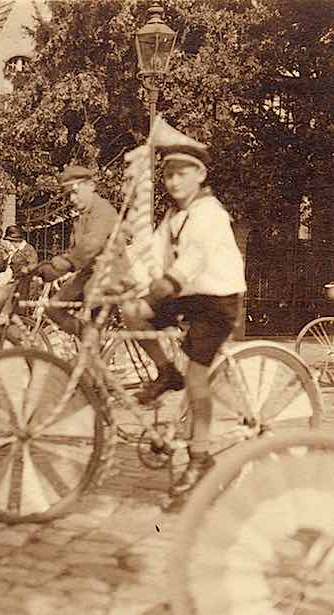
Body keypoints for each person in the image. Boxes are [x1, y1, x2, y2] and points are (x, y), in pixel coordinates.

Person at [122, 141, 246, 496]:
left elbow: (195, 258)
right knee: (131, 312)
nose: (173, 181)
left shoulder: (210, 213)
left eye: (181, 174)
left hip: (217, 301)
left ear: (200, 175)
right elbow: (151, 256)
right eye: (168, 175)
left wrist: (166, 283)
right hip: (186, 296)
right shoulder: (173, 217)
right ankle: (166, 371)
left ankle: (200, 456)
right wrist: (129, 282)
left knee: (197, 378)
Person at [36, 165, 117, 336]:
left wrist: (65, 264)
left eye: (75, 191)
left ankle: (92, 349)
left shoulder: (104, 210)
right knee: (52, 308)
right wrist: (52, 267)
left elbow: (91, 244)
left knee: (93, 303)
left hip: (110, 275)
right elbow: (75, 249)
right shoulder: (81, 218)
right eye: (68, 194)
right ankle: (89, 344)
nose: (72, 198)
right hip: (88, 275)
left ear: (91, 186)